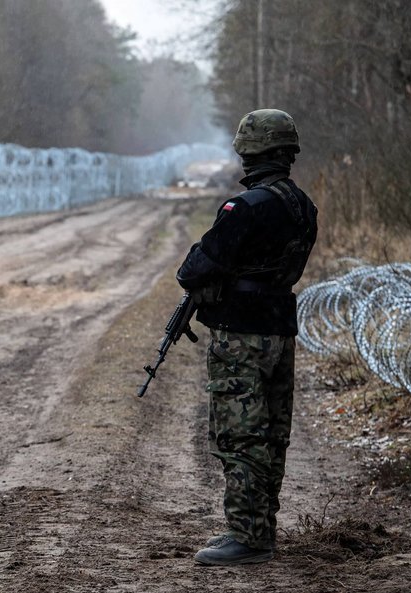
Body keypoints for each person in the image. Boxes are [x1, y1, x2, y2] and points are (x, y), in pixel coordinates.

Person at [176, 109, 319, 566]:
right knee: (273, 432)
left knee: (240, 435)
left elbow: (195, 269)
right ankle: (261, 529)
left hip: (241, 334)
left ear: (248, 149)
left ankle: (247, 536)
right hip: (280, 325)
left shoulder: (246, 207)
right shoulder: (303, 206)